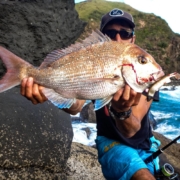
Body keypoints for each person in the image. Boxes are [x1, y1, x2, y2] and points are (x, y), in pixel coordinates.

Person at [20, 8, 161, 180]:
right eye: (110, 33)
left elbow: (132, 129)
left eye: (125, 33)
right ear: (102, 36)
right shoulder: (97, 59)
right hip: (111, 142)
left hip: (146, 144)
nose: (117, 38)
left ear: (133, 38)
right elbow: (75, 106)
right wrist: (48, 90)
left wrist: (122, 112)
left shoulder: (145, 74)